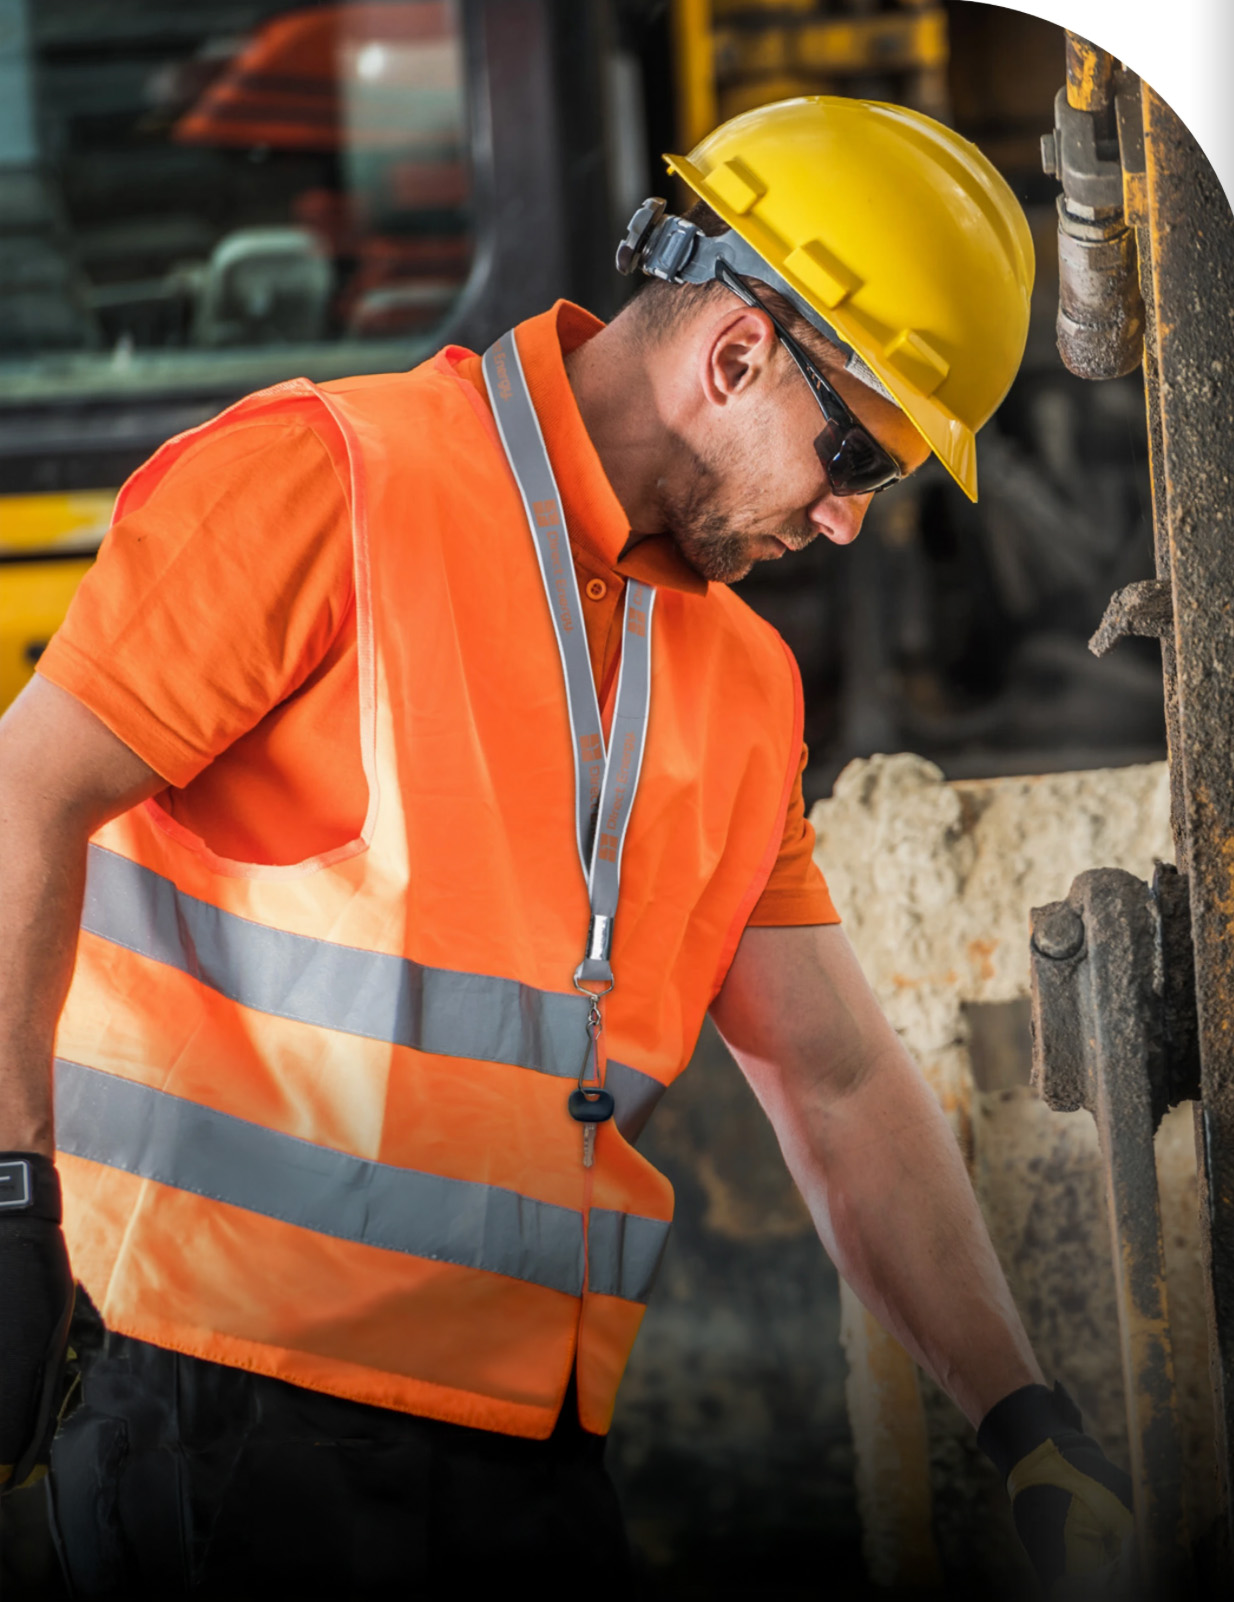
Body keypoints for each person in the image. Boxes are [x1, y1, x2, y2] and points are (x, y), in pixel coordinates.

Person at [0, 98, 1133, 1597]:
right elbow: (24, 796)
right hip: (212, 1407)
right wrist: (7, 1197)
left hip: (521, 1449)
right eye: (855, 453)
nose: (850, 521)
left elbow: (841, 1079)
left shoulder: (741, 683)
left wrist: (1025, 1420)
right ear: (736, 354)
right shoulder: (326, 481)